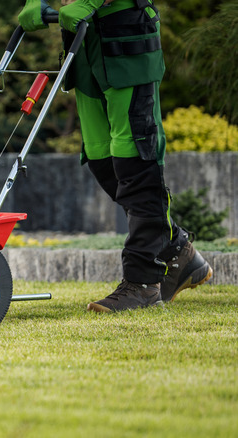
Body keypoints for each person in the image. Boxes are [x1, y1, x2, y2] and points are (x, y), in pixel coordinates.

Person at [18, 0, 213, 312]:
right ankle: (176, 249)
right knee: (102, 159)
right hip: (84, 39)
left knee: (134, 154)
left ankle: (144, 283)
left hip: (126, 35)